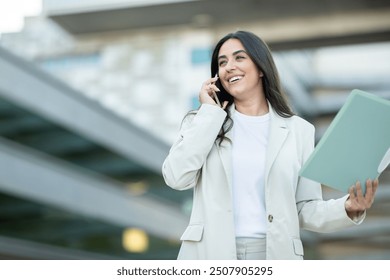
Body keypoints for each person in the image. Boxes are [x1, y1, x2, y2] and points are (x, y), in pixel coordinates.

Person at [162, 30, 378, 260]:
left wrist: (348, 207)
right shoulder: (203, 122)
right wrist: (210, 114)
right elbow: (176, 177)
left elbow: (304, 208)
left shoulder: (299, 130)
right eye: (222, 62)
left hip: (274, 254)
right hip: (209, 254)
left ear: (261, 68)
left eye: (239, 57)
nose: (229, 67)